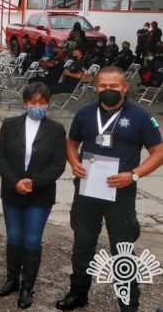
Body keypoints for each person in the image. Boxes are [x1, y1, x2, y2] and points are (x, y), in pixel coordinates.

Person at [55, 66, 163, 312]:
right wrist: (73, 162)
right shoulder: (84, 114)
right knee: (83, 243)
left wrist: (134, 175)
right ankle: (78, 293)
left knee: (122, 247)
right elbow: (72, 143)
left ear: (125, 87)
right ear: (96, 87)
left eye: (114, 86)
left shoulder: (140, 117)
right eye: (103, 86)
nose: (108, 90)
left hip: (121, 191)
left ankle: (128, 302)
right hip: (87, 189)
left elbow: (159, 152)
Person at [0, 82, 67, 309]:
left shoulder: (56, 129)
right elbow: (0, 156)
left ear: (48, 104)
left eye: (43, 102)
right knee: (14, 237)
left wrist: (34, 182)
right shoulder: (10, 124)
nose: (38, 106)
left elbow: (58, 164)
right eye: (33, 102)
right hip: (12, 191)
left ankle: (27, 286)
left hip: (40, 193)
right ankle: (12, 280)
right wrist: (15, 182)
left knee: (32, 240)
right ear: (25, 103)